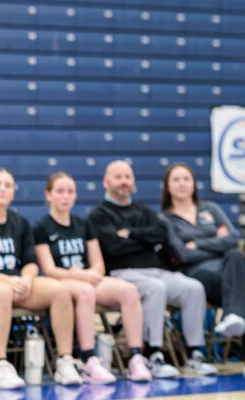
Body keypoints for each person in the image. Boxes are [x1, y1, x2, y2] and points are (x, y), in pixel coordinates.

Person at [87, 160, 217, 377]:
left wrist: (129, 234)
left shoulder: (145, 211)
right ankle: (153, 354)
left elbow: (161, 235)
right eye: (118, 177)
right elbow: (113, 247)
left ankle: (195, 353)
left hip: (157, 270)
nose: (123, 182)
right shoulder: (99, 214)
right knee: (155, 288)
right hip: (123, 273)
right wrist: (145, 240)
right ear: (106, 181)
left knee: (193, 287)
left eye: (127, 177)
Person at [33, 172, 152, 383]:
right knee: (86, 292)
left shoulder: (84, 224)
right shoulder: (41, 227)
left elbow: (98, 263)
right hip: (63, 281)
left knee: (129, 290)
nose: (65, 196)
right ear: (48, 195)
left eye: (70, 192)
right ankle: (89, 360)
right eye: (60, 191)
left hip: (87, 278)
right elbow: (49, 269)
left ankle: (136, 357)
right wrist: (80, 275)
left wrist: (90, 273)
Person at [160, 163, 245, 374]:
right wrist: (214, 243)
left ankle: (233, 316)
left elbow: (231, 240)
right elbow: (182, 255)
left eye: (187, 178)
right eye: (176, 179)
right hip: (194, 274)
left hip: (225, 268)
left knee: (236, 254)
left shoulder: (210, 209)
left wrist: (199, 244)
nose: (182, 183)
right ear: (167, 186)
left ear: (194, 184)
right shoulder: (165, 219)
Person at [0, 168, 83, 388]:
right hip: (1, 285)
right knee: (1, 291)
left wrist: (26, 279)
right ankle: (0, 363)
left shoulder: (20, 222)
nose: (2, 189)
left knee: (60, 290)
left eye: (7, 185)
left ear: (13, 193)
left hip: (17, 283)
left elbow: (31, 261)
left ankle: (64, 361)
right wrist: (7, 281)